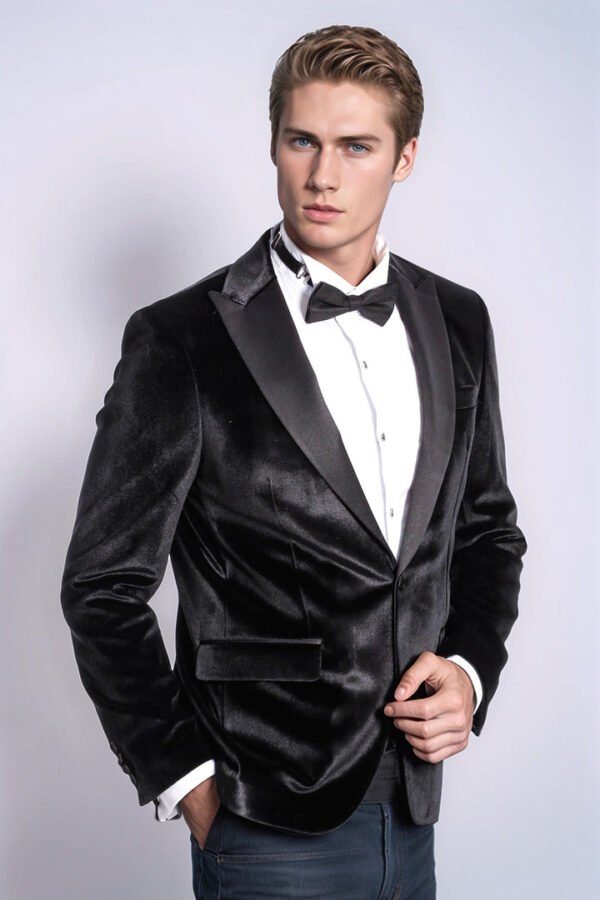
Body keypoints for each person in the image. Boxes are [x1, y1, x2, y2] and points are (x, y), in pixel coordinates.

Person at [61, 24, 526, 899]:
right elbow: (101, 587)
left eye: (357, 147)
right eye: (302, 141)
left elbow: (487, 530)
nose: (323, 176)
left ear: (405, 158)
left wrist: (469, 670)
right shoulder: (181, 338)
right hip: (262, 819)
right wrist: (187, 783)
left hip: (413, 808)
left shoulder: (458, 319)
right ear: (273, 143)